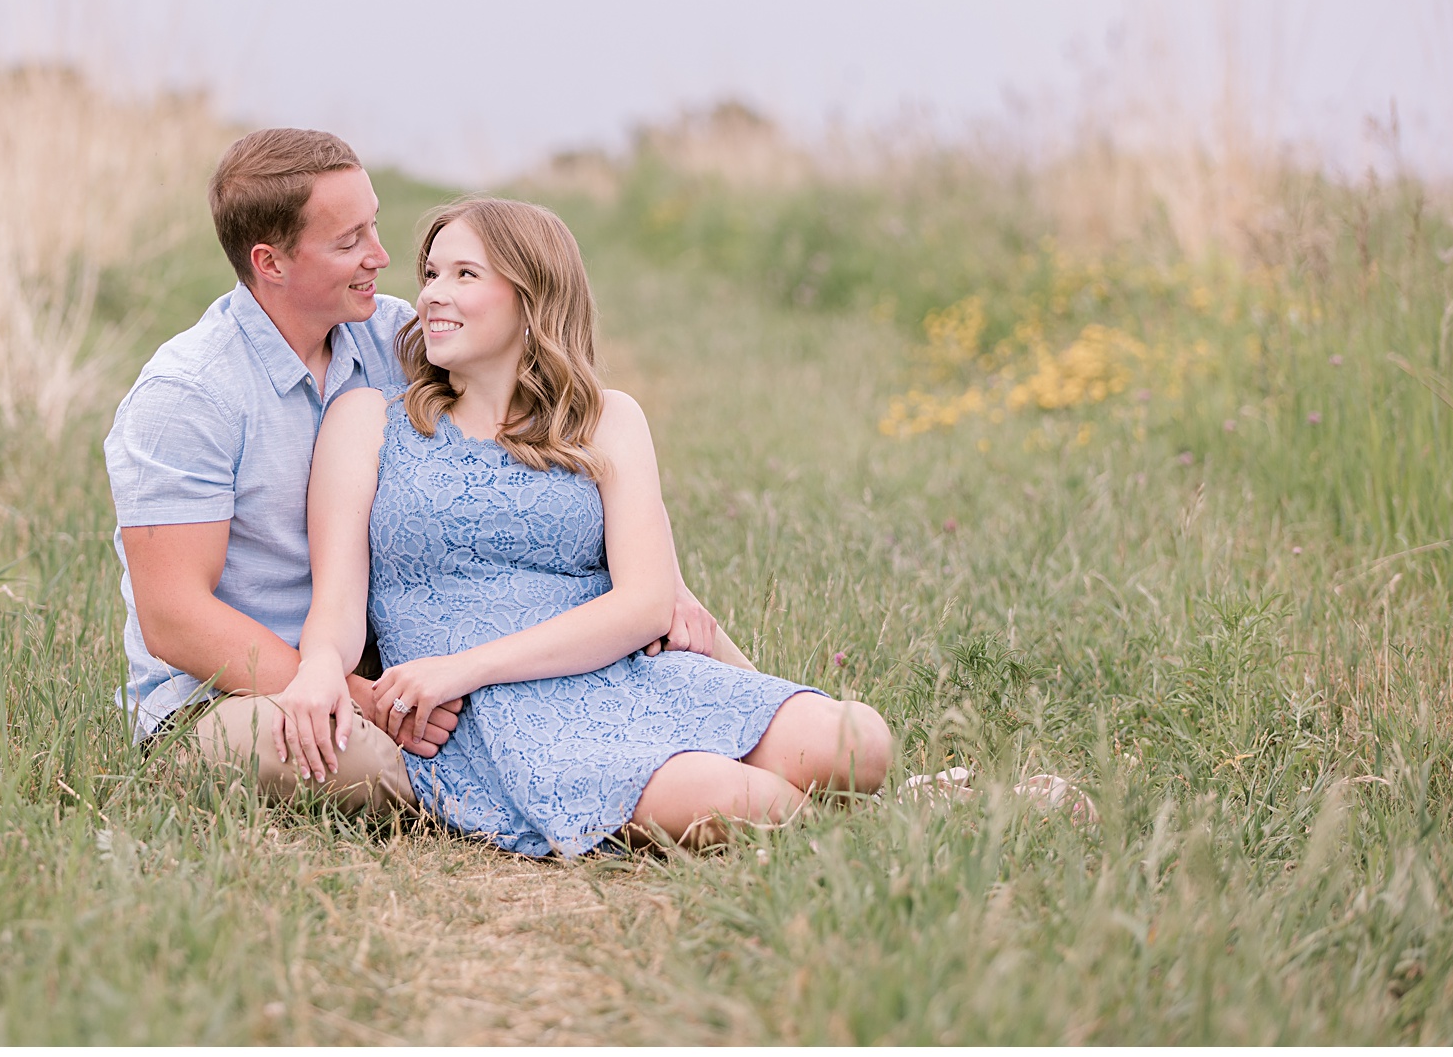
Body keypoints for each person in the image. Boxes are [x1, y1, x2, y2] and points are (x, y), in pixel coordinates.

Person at [103, 129, 751, 814]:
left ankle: (701, 741)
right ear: (272, 261)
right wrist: (351, 693)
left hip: (393, 665)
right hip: (231, 691)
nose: (381, 257)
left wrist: (665, 583)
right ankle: (550, 793)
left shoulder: (394, 336)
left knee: (556, 689)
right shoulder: (189, 394)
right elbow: (173, 617)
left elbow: (552, 421)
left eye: (374, 225)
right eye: (349, 241)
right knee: (369, 763)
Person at [271, 197, 893, 855]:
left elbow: (645, 602)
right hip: (494, 720)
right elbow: (336, 602)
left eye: (464, 275)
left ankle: (824, 807)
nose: (431, 295)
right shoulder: (368, 420)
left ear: (532, 298)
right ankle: (829, 824)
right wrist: (319, 668)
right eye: (430, 274)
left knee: (860, 743)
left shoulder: (607, 420)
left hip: (620, 675)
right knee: (748, 803)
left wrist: (463, 667)